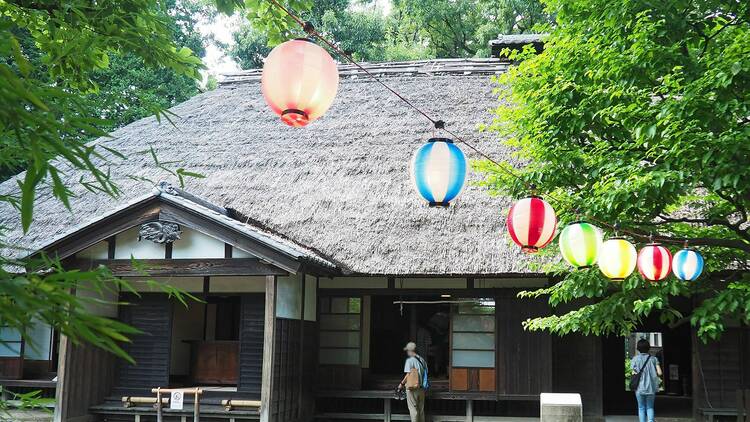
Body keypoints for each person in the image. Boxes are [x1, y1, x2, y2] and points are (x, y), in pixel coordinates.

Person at [631, 339, 663, 422]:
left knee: (641, 407)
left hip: (639, 388)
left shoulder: (635, 359)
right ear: (648, 348)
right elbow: (660, 373)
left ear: (638, 348)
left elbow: (633, 373)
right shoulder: (654, 359)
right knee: (650, 407)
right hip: (651, 387)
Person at [397, 341, 428, 422]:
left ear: (411, 351)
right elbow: (426, 371)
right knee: (421, 410)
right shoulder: (422, 359)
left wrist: (401, 384)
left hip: (412, 388)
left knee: (413, 410)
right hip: (421, 388)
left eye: (407, 350)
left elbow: (408, 374)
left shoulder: (410, 361)